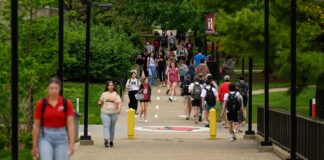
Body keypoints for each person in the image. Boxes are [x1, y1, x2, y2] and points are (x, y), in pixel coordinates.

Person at [32, 78, 75, 160]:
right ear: (48, 89)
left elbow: (70, 125)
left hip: (62, 137)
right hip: (45, 137)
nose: (54, 90)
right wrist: (34, 145)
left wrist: (72, 143)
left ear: (59, 89)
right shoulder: (42, 103)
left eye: (56, 88)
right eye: (51, 88)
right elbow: (36, 126)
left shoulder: (66, 103)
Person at [98, 81, 122, 147]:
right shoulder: (104, 94)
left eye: (112, 85)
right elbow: (100, 101)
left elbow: (119, 102)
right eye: (110, 85)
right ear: (107, 87)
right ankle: (106, 140)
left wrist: (119, 109)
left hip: (114, 113)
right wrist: (100, 105)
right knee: (106, 126)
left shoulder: (116, 94)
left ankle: (111, 140)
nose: (111, 86)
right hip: (105, 113)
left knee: (112, 127)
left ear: (113, 87)